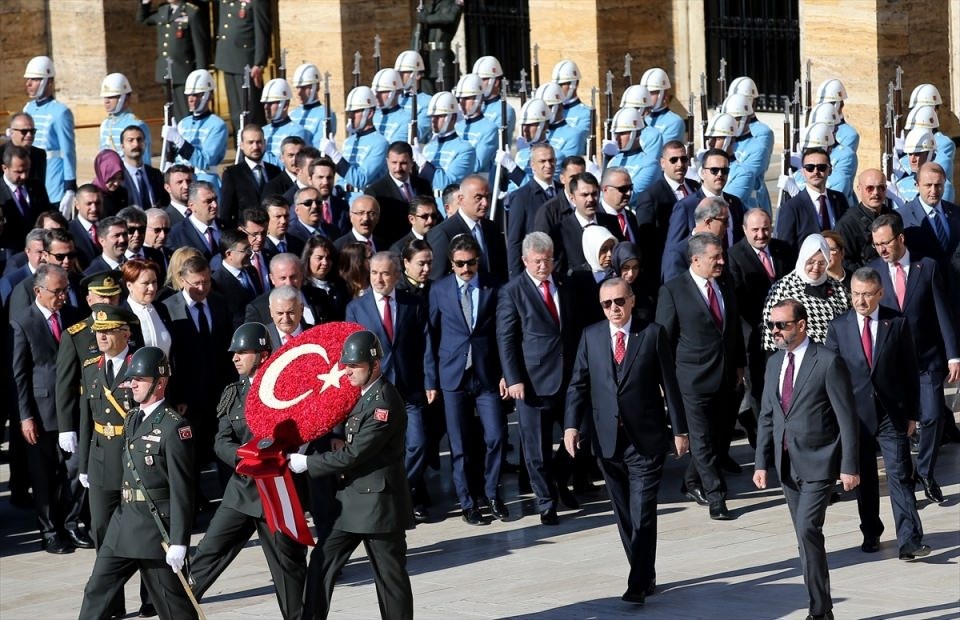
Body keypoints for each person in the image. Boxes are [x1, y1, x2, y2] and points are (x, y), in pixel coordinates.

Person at [564, 277, 688, 605]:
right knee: (623, 513)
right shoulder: (591, 336)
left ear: (631, 300)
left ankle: (637, 582)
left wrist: (679, 430)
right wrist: (570, 427)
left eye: (619, 301)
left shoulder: (652, 334)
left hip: (645, 439)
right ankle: (644, 570)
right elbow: (578, 384)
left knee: (643, 510)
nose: (614, 309)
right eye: (607, 304)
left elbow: (669, 384)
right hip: (607, 441)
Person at [288, 330, 414, 620]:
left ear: (375, 365)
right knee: (321, 562)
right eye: (346, 365)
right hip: (351, 503)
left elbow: (355, 453)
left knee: (389, 578)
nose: (348, 371)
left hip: (379, 505)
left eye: (355, 366)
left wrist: (308, 463)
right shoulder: (361, 396)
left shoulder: (383, 403)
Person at [189, 323, 307, 618]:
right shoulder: (233, 392)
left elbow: (304, 433)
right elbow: (221, 440)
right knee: (207, 553)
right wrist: (245, 459)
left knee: (288, 567)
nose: (235, 357)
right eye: (234, 352)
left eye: (242, 351)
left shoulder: (286, 391)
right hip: (242, 489)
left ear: (264, 354)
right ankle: (177, 606)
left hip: (277, 493)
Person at [753, 299, 860, 620]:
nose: (775, 331)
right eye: (772, 325)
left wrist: (849, 466)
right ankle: (822, 606)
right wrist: (761, 462)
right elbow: (767, 416)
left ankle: (818, 609)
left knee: (807, 529)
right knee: (804, 538)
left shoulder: (826, 362)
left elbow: (847, 418)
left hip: (819, 463)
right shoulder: (773, 364)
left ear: (801, 326)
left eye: (782, 325)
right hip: (787, 466)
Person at [77, 347, 197, 620]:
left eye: (139, 379)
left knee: (172, 605)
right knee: (96, 589)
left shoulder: (174, 427)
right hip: (124, 522)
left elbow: (182, 489)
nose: (131, 385)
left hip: (155, 530)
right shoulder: (132, 418)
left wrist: (179, 540)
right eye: (131, 379)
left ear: (160, 382)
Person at [824, 268, 930, 559]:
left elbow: (910, 371)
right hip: (856, 417)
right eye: (855, 294)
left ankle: (909, 540)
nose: (860, 300)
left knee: (899, 475)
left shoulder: (896, 323)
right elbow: (831, 375)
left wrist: (912, 414)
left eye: (867, 294)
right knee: (866, 478)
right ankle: (871, 531)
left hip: (890, 413)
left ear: (880, 294)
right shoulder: (839, 327)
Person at [868, 214, 959, 505]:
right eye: (876, 244)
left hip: (926, 359)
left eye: (886, 243)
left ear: (900, 239)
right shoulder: (872, 272)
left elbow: (942, 312)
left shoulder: (927, 267)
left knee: (932, 416)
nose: (881, 250)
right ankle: (905, 479)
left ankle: (926, 472)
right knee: (898, 426)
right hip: (892, 366)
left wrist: (954, 355)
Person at [656, 233, 745, 520]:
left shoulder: (726, 282)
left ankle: (692, 481)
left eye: (721, 256)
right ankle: (717, 496)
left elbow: (733, 329)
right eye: (714, 258)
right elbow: (663, 340)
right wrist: (664, 380)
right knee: (702, 438)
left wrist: (739, 364)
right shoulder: (673, 291)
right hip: (692, 380)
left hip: (725, 375)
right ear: (695, 260)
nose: (721, 261)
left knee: (719, 437)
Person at [346, 253, 438, 520]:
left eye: (385, 273)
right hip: (376, 390)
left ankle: (400, 490)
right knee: (379, 446)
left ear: (396, 275)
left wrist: (430, 380)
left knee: (418, 444)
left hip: (410, 388)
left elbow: (426, 345)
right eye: (374, 273)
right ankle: (390, 497)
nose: (379, 279)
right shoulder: (357, 308)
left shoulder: (413, 303)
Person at [498, 232, 580, 525]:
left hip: (568, 375)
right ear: (525, 260)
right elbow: (506, 338)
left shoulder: (565, 285)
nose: (544, 266)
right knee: (536, 446)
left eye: (548, 260)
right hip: (533, 380)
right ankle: (546, 501)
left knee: (579, 433)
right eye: (537, 261)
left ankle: (559, 479)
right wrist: (513, 377)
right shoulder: (513, 291)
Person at [75, 303, 146, 618]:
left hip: (133, 459)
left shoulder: (142, 363)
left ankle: (152, 597)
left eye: (107, 331)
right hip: (102, 458)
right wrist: (82, 464)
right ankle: (111, 603)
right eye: (98, 331)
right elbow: (85, 416)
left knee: (143, 532)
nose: (100, 336)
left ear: (126, 332)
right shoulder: (91, 365)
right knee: (102, 531)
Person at [11, 264, 85, 552]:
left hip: (71, 409)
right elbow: (18, 375)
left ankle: (71, 523)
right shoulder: (23, 323)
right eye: (57, 291)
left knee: (76, 469)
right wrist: (25, 416)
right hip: (41, 413)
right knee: (44, 476)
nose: (63, 297)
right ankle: (50, 532)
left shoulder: (72, 316)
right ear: (38, 291)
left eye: (66, 290)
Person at [726, 208, 796, 442]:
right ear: (744, 229)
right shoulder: (734, 256)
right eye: (755, 229)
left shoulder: (783, 249)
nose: (761, 234)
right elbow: (738, 303)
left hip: (786, 334)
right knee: (759, 389)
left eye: (765, 228)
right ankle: (762, 440)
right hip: (754, 337)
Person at [761, 234, 850, 352]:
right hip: (800, 357)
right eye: (811, 262)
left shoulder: (838, 287)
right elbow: (770, 334)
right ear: (803, 258)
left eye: (822, 263)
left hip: (834, 357)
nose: (816, 267)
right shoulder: (783, 288)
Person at [136, 0, 210, 122]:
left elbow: (200, 48)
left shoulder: (191, 12)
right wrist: (145, 3)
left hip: (183, 73)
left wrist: (200, 76)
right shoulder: (163, 10)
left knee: (185, 113)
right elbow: (142, 19)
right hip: (166, 71)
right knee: (171, 112)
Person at [664, 148, 744, 255]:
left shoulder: (735, 203)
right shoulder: (686, 206)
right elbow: (674, 251)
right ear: (703, 172)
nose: (720, 174)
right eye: (714, 170)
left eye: (724, 171)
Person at [427, 175, 507, 280]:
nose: (485, 203)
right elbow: (438, 278)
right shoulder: (444, 232)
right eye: (479, 198)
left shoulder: (492, 228)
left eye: (487, 197)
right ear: (461, 199)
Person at [23, 56, 76, 213]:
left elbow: (68, 152)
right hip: (31, 177)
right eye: (28, 79)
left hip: (53, 181)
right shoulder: (27, 109)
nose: (29, 84)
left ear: (49, 82)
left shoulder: (60, 111)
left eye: (35, 79)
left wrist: (69, 188)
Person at [547, 172, 621, 277]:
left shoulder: (611, 222)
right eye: (585, 195)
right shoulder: (560, 231)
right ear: (573, 199)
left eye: (594, 194)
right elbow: (559, 272)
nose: (590, 199)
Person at [166, 69, 229, 193]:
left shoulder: (217, 125)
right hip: (182, 183)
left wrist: (180, 142)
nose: (191, 99)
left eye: (196, 95)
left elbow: (204, 161)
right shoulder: (183, 123)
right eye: (189, 95)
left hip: (204, 181)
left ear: (208, 95)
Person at [776, 148, 850, 251]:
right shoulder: (791, 207)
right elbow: (785, 249)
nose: (816, 172)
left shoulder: (839, 199)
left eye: (821, 167)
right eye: (810, 168)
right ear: (803, 172)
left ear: (830, 170)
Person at [506, 143, 562, 278]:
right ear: (532, 164)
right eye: (542, 161)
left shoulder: (564, 192)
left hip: (562, 268)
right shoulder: (521, 197)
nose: (548, 165)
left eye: (551, 160)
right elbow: (515, 240)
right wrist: (516, 278)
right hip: (536, 270)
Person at [215, 0, 270, 134]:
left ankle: (256, 147)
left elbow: (262, 31)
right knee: (235, 113)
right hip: (227, 61)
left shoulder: (256, 2)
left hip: (246, 64)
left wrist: (259, 62)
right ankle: (239, 147)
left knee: (251, 112)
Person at [366, 142, 434, 247]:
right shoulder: (375, 191)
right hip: (393, 248)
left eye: (403, 163)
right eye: (394, 163)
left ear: (412, 162)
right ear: (387, 162)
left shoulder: (423, 185)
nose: (398, 168)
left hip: (423, 246)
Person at [322, 87, 389, 190]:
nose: (351, 117)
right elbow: (342, 180)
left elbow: (361, 180)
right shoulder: (349, 141)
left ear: (370, 113)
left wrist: (335, 155)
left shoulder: (380, 143)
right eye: (350, 112)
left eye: (356, 112)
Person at [244, 252, 333, 327]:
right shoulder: (258, 309)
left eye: (293, 277)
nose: (289, 283)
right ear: (272, 278)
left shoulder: (319, 296)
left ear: (301, 275)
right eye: (283, 278)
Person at [414, 92, 477, 193]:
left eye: (439, 116)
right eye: (432, 117)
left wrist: (422, 162)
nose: (434, 120)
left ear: (453, 117)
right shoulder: (428, 147)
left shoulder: (465, 149)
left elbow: (447, 184)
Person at [220, 125, 282, 227]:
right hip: (246, 234)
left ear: (264, 143)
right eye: (250, 142)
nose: (255, 147)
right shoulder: (232, 174)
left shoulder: (275, 171)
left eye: (259, 142)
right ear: (242, 145)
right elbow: (226, 212)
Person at [834, 168, 894, 272]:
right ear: (859, 188)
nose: (876, 193)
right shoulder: (847, 224)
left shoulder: (894, 217)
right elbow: (843, 261)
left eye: (881, 188)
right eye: (870, 188)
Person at [661, 196, 730, 284]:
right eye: (725, 221)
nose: (728, 226)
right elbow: (675, 293)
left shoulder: (720, 250)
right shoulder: (677, 255)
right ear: (708, 222)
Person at [1, 144, 51, 255]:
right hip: (10, 253)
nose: (24, 176)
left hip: (39, 250)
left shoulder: (37, 186)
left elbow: (46, 212)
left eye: (27, 170)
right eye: (18, 172)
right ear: (5, 168)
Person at [212, 228, 262, 330]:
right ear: (229, 254)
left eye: (250, 248)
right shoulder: (216, 282)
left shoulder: (252, 271)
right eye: (245, 250)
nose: (250, 253)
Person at [122, 258, 173, 356]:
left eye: (154, 282)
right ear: (129, 285)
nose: (152, 288)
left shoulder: (161, 309)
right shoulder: (122, 314)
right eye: (145, 283)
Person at [98, 73, 153, 166]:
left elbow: (145, 161)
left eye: (111, 97)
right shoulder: (105, 124)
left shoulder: (137, 125)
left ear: (124, 99)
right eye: (105, 97)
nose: (106, 101)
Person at [454, 73, 499, 175]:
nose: (462, 103)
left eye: (467, 98)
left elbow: (477, 164)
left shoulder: (490, 129)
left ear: (478, 99)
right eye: (460, 99)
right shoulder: (458, 126)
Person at [261, 80, 312, 167]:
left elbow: (289, 165)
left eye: (271, 103)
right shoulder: (263, 130)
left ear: (284, 106)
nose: (266, 107)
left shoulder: (297, 131)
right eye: (265, 103)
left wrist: (260, 152)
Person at [167, 181, 223, 261]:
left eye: (215, 199)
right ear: (192, 205)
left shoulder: (227, 227)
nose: (215, 205)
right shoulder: (176, 234)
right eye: (208, 201)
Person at [416, 0, 462, 92]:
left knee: (444, 97)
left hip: (442, 58)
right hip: (426, 60)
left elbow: (449, 17)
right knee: (427, 98)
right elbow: (418, 35)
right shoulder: (430, 5)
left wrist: (426, 19)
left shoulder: (451, 3)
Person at [302, 236, 350, 319]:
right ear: (308, 258)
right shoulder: (302, 287)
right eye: (319, 258)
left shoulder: (340, 285)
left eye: (328, 258)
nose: (325, 262)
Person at [290, 62, 338, 144]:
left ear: (317, 87)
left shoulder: (326, 114)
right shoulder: (292, 114)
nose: (299, 92)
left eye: (304, 88)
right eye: (297, 88)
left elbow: (318, 146)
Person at [119, 126, 167, 209]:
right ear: (122, 146)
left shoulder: (155, 174)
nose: (136, 144)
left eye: (139, 139)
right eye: (130, 140)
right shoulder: (118, 177)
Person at [638, 68, 685, 143]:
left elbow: (658, 149)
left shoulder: (674, 121)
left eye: (651, 93)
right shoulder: (641, 117)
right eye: (645, 93)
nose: (647, 97)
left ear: (664, 94)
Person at [2, 112, 46, 187]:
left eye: (32, 131)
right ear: (12, 132)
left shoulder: (39, 154)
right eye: (24, 131)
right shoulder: (1, 154)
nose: (29, 135)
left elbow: (40, 189)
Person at [600, 167, 641, 244]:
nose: (629, 193)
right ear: (605, 189)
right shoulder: (596, 218)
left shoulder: (631, 217)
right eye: (623, 189)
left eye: (630, 188)